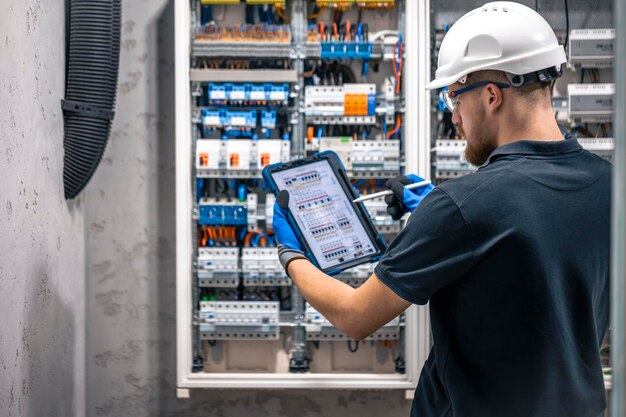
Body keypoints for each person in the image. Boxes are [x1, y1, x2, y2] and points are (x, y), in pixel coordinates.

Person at [272, 2, 611, 416]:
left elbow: (354, 316)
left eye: (454, 96)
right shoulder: (612, 186)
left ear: (491, 96)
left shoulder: (462, 207)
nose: (454, 117)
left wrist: (292, 255)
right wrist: (445, 210)